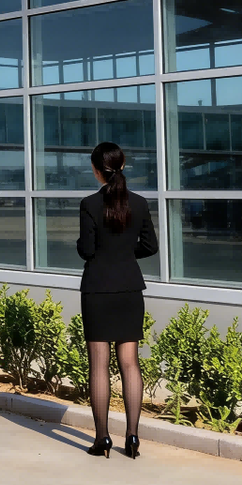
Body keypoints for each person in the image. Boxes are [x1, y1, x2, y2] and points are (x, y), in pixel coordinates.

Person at [77, 141, 158, 459]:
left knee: (99, 365)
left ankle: (102, 439)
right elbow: (150, 246)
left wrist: (94, 249)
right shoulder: (139, 203)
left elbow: (87, 250)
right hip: (129, 289)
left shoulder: (89, 204)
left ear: (96, 170)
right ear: (122, 166)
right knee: (130, 362)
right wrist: (125, 253)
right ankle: (133, 437)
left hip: (97, 289)